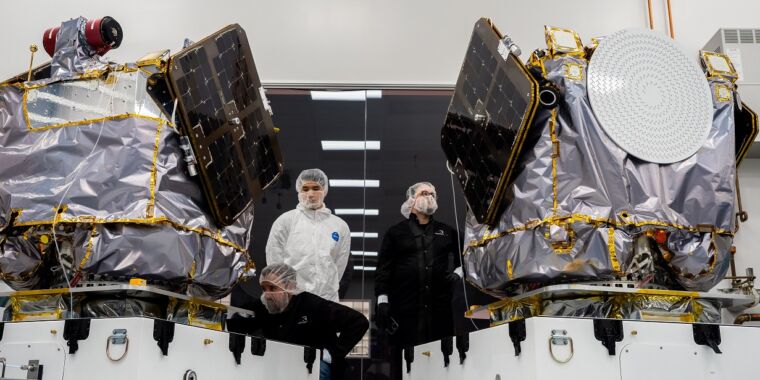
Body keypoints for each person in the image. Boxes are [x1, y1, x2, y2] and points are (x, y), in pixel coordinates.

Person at [374, 182, 462, 379]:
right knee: (404, 363)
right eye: (424, 193)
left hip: (439, 310)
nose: (429, 196)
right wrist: (382, 300)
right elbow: (383, 270)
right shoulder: (395, 233)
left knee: (440, 362)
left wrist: (457, 275)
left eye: (433, 193)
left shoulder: (447, 232)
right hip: (405, 309)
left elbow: (464, 260)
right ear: (412, 199)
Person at [227, 263, 369, 380]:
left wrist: (332, 354)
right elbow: (238, 320)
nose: (267, 294)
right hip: (284, 363)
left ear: (289, 287)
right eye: (263, 289)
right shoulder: (265, 306)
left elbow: (358, 322)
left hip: (315, 365)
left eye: (272, 288)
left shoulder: (312, 305)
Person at [266, 169, 351, 302]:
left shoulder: (340, 226)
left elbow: (339, 265)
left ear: (325, 190)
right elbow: (274, 259)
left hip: (327, 299)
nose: (310, 194)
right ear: (299, 191)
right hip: (293, 299)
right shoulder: (286, 221)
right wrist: (284, 291)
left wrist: (326, 288)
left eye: (316, 188)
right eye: (305, 189)